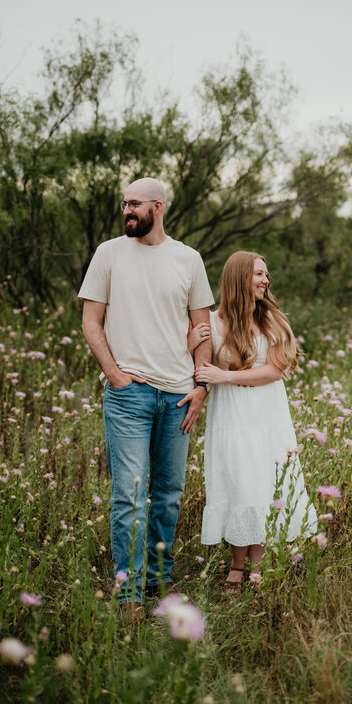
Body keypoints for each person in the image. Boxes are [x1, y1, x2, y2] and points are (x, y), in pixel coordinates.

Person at [79, 177, 215, 621]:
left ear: (158, 207)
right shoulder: (109, 253)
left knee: (169, 494)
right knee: (130, 496)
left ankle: (159, 575)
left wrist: (201, 386)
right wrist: (115, 375)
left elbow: (202, 331)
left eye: (134, 204)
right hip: (129, 397)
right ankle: (129, 593)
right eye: (124, 204)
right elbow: (90, 321)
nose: (127, 211)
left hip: (178, 395)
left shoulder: (188, 260)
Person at [191, 251, 317, 594]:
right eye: (258, 274)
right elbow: (196, 365)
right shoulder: (214, 323)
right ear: (238, 278)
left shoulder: (271, 320)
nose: (265, 280)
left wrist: (225, 376)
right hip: (230, 417)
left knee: (264, 482)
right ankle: (236, 563)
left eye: (267, 275)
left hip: (267, 416)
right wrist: (191, 343)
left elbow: (276, 370)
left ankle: (257, 562)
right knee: (236, 481)